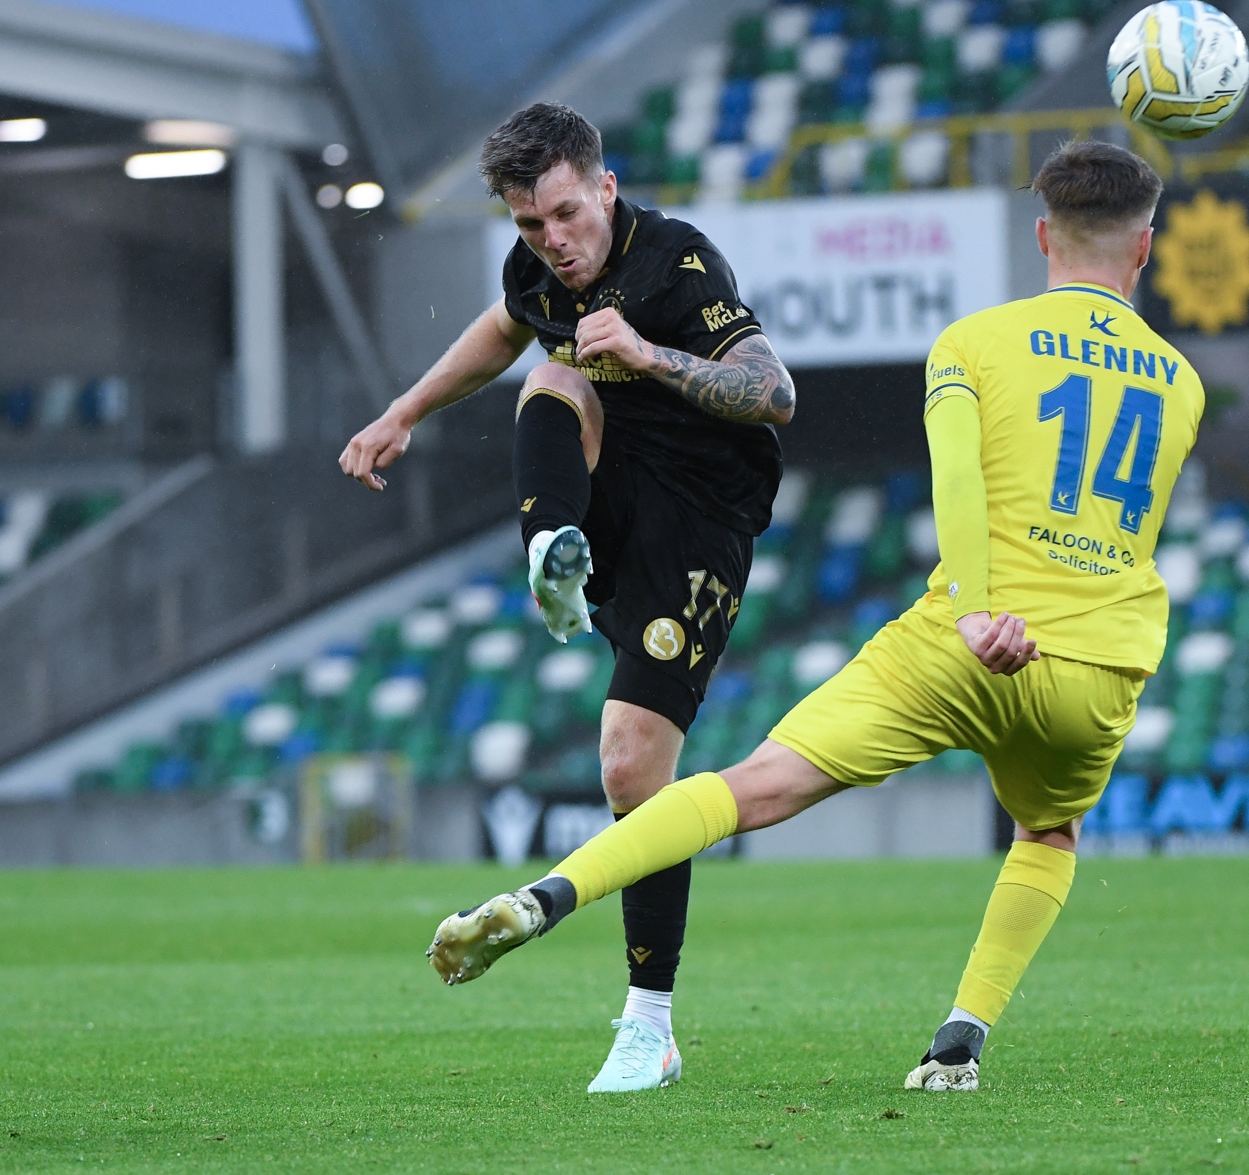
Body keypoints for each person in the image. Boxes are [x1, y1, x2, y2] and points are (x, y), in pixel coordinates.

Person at [424, 139, 1205, 1094]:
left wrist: (977, 610)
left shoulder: (973, 342)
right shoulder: (1182, 381)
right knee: (1047, 835)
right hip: (1097, 668)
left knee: (744, 789)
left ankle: (547, 899)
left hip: (961, 643)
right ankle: (958, 1040)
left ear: (1042, 236)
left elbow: (960, 487)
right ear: (1145, 247)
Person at [339, 102, 795, 1092]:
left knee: (631, 771)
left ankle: (649, 1025)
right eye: (529, 224)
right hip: (609, 503)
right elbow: (504, 326)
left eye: (565, 214)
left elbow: (773, 391)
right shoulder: (538, 269)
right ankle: (552, 549)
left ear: (605, 189)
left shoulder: (678, 263)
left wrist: (645, 352)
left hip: (699, 521)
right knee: (551, 377)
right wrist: (404, 410)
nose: (552, 240)